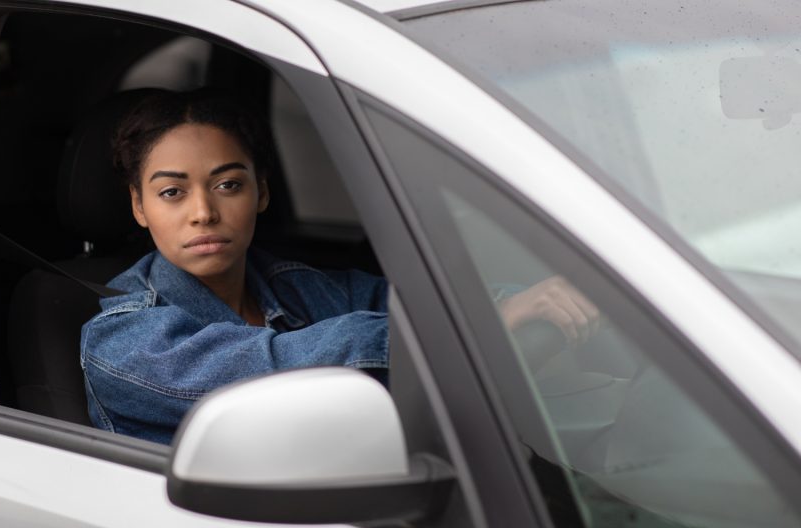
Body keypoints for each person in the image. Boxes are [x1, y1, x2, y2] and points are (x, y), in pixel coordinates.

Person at [80, 89, 599, 445]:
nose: (203, 212)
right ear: (139, 206)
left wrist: (520, 303)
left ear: (262, 192)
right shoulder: (121, 340)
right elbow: (275, 366)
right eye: (172, 192)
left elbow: (412, 302)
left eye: (228, 185)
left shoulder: (297, 286)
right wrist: (479, 327)